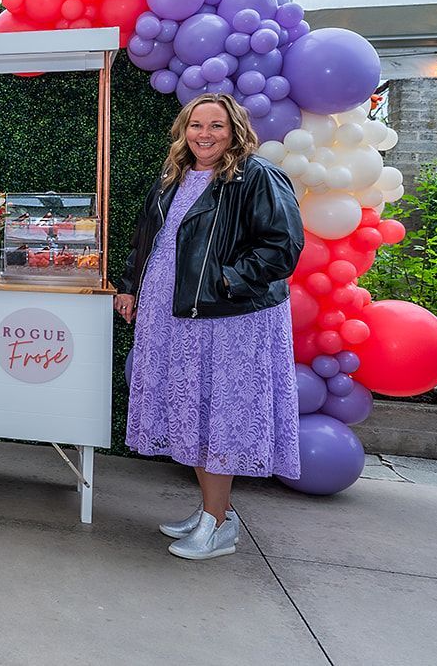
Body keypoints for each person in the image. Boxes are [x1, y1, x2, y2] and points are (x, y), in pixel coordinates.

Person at [115, 92, 303, 561]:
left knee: (217, 412)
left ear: (235, 129)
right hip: (172, 314)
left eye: (216, 126)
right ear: (184, 130)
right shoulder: (173, 176)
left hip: (226, 319)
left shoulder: (256, 175)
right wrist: (130, 286)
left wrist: (227, 281)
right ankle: (212, 512)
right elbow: (145, 236)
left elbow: (283, 246)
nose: (205, 135)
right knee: (193, 410)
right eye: (196, 125)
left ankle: (218, 525)